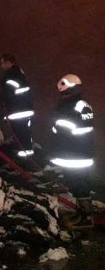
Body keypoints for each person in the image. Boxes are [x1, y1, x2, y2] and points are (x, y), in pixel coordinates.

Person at [50, 74, 95, 225]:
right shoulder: (79, 105)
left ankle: (86, 218)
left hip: (75, 154)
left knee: (79, 185)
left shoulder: (73, 107)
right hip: (76, 153)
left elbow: (66, 129)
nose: (63, 95)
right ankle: (82, 213)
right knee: (78, 184)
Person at [0, 54, 34, 158]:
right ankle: (27, 157)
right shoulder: (19, 74)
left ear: (9, 62)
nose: (2, 66)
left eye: (3, 63)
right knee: (25, 135)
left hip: (18, 111)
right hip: (24, 109)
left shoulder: (11, 75)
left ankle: (23, 159)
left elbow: (7, 93)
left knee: (20, 136)